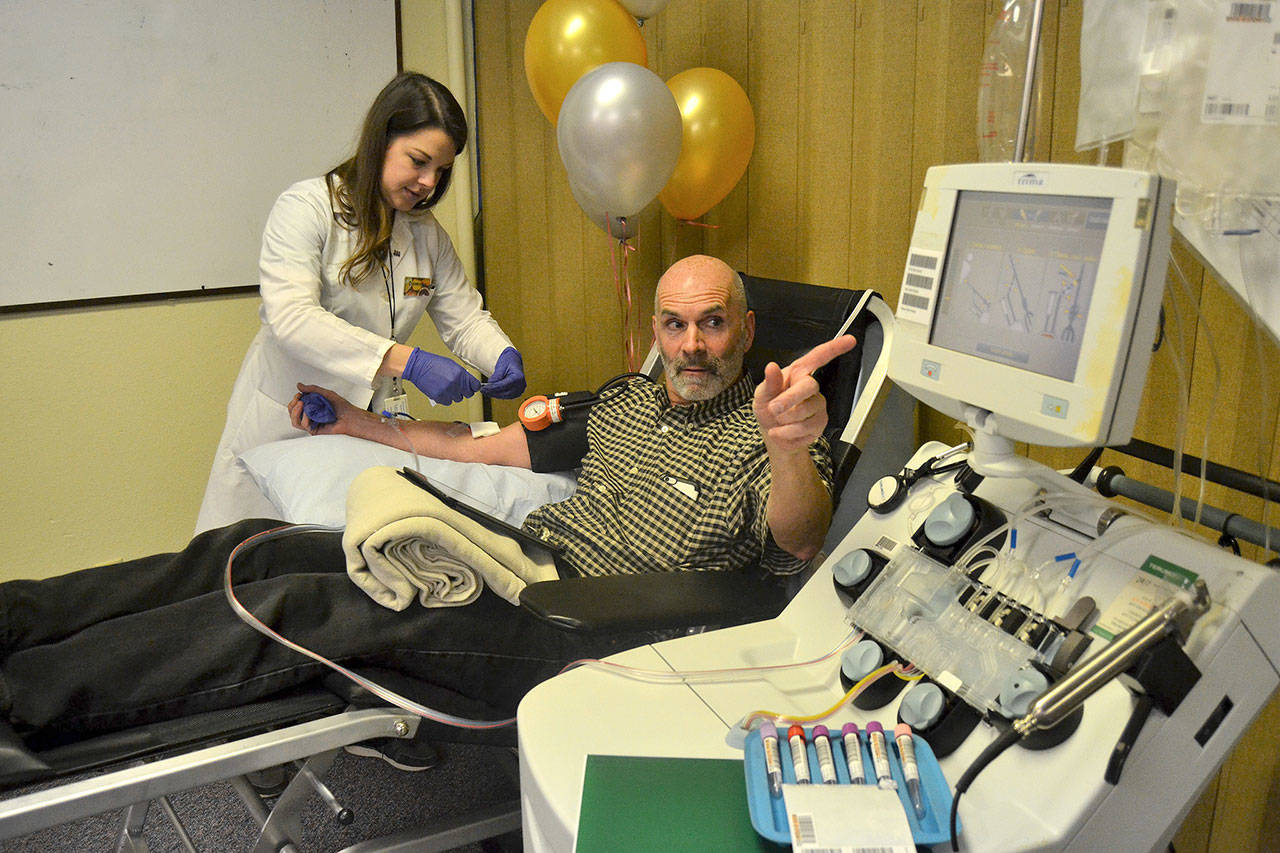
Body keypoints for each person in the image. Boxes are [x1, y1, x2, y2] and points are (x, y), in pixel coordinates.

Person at [0, 256, 855, 746]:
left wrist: (785, 445)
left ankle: (36, 695)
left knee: (310, 604)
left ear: (744, 331)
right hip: (519, 562)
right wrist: (358, 423)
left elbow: (801, 536)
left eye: (711, 323)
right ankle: (17, 618)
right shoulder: (624, 403)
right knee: (265, 543)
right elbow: (472, 446)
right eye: (674, 324)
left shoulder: (782, 427)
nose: (691, 344)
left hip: (592, 624)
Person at [195, 72, 525, 535]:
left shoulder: (426, 236)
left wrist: (501, 355)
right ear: (382, 138)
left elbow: (464, 317)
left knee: (338, 560)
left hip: (356, 424)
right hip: (284, 418)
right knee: (247, 557)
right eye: (418, 161)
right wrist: (406, 361)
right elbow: (292, 318)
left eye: (442, 171)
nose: (428, 183)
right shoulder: (307, 208)